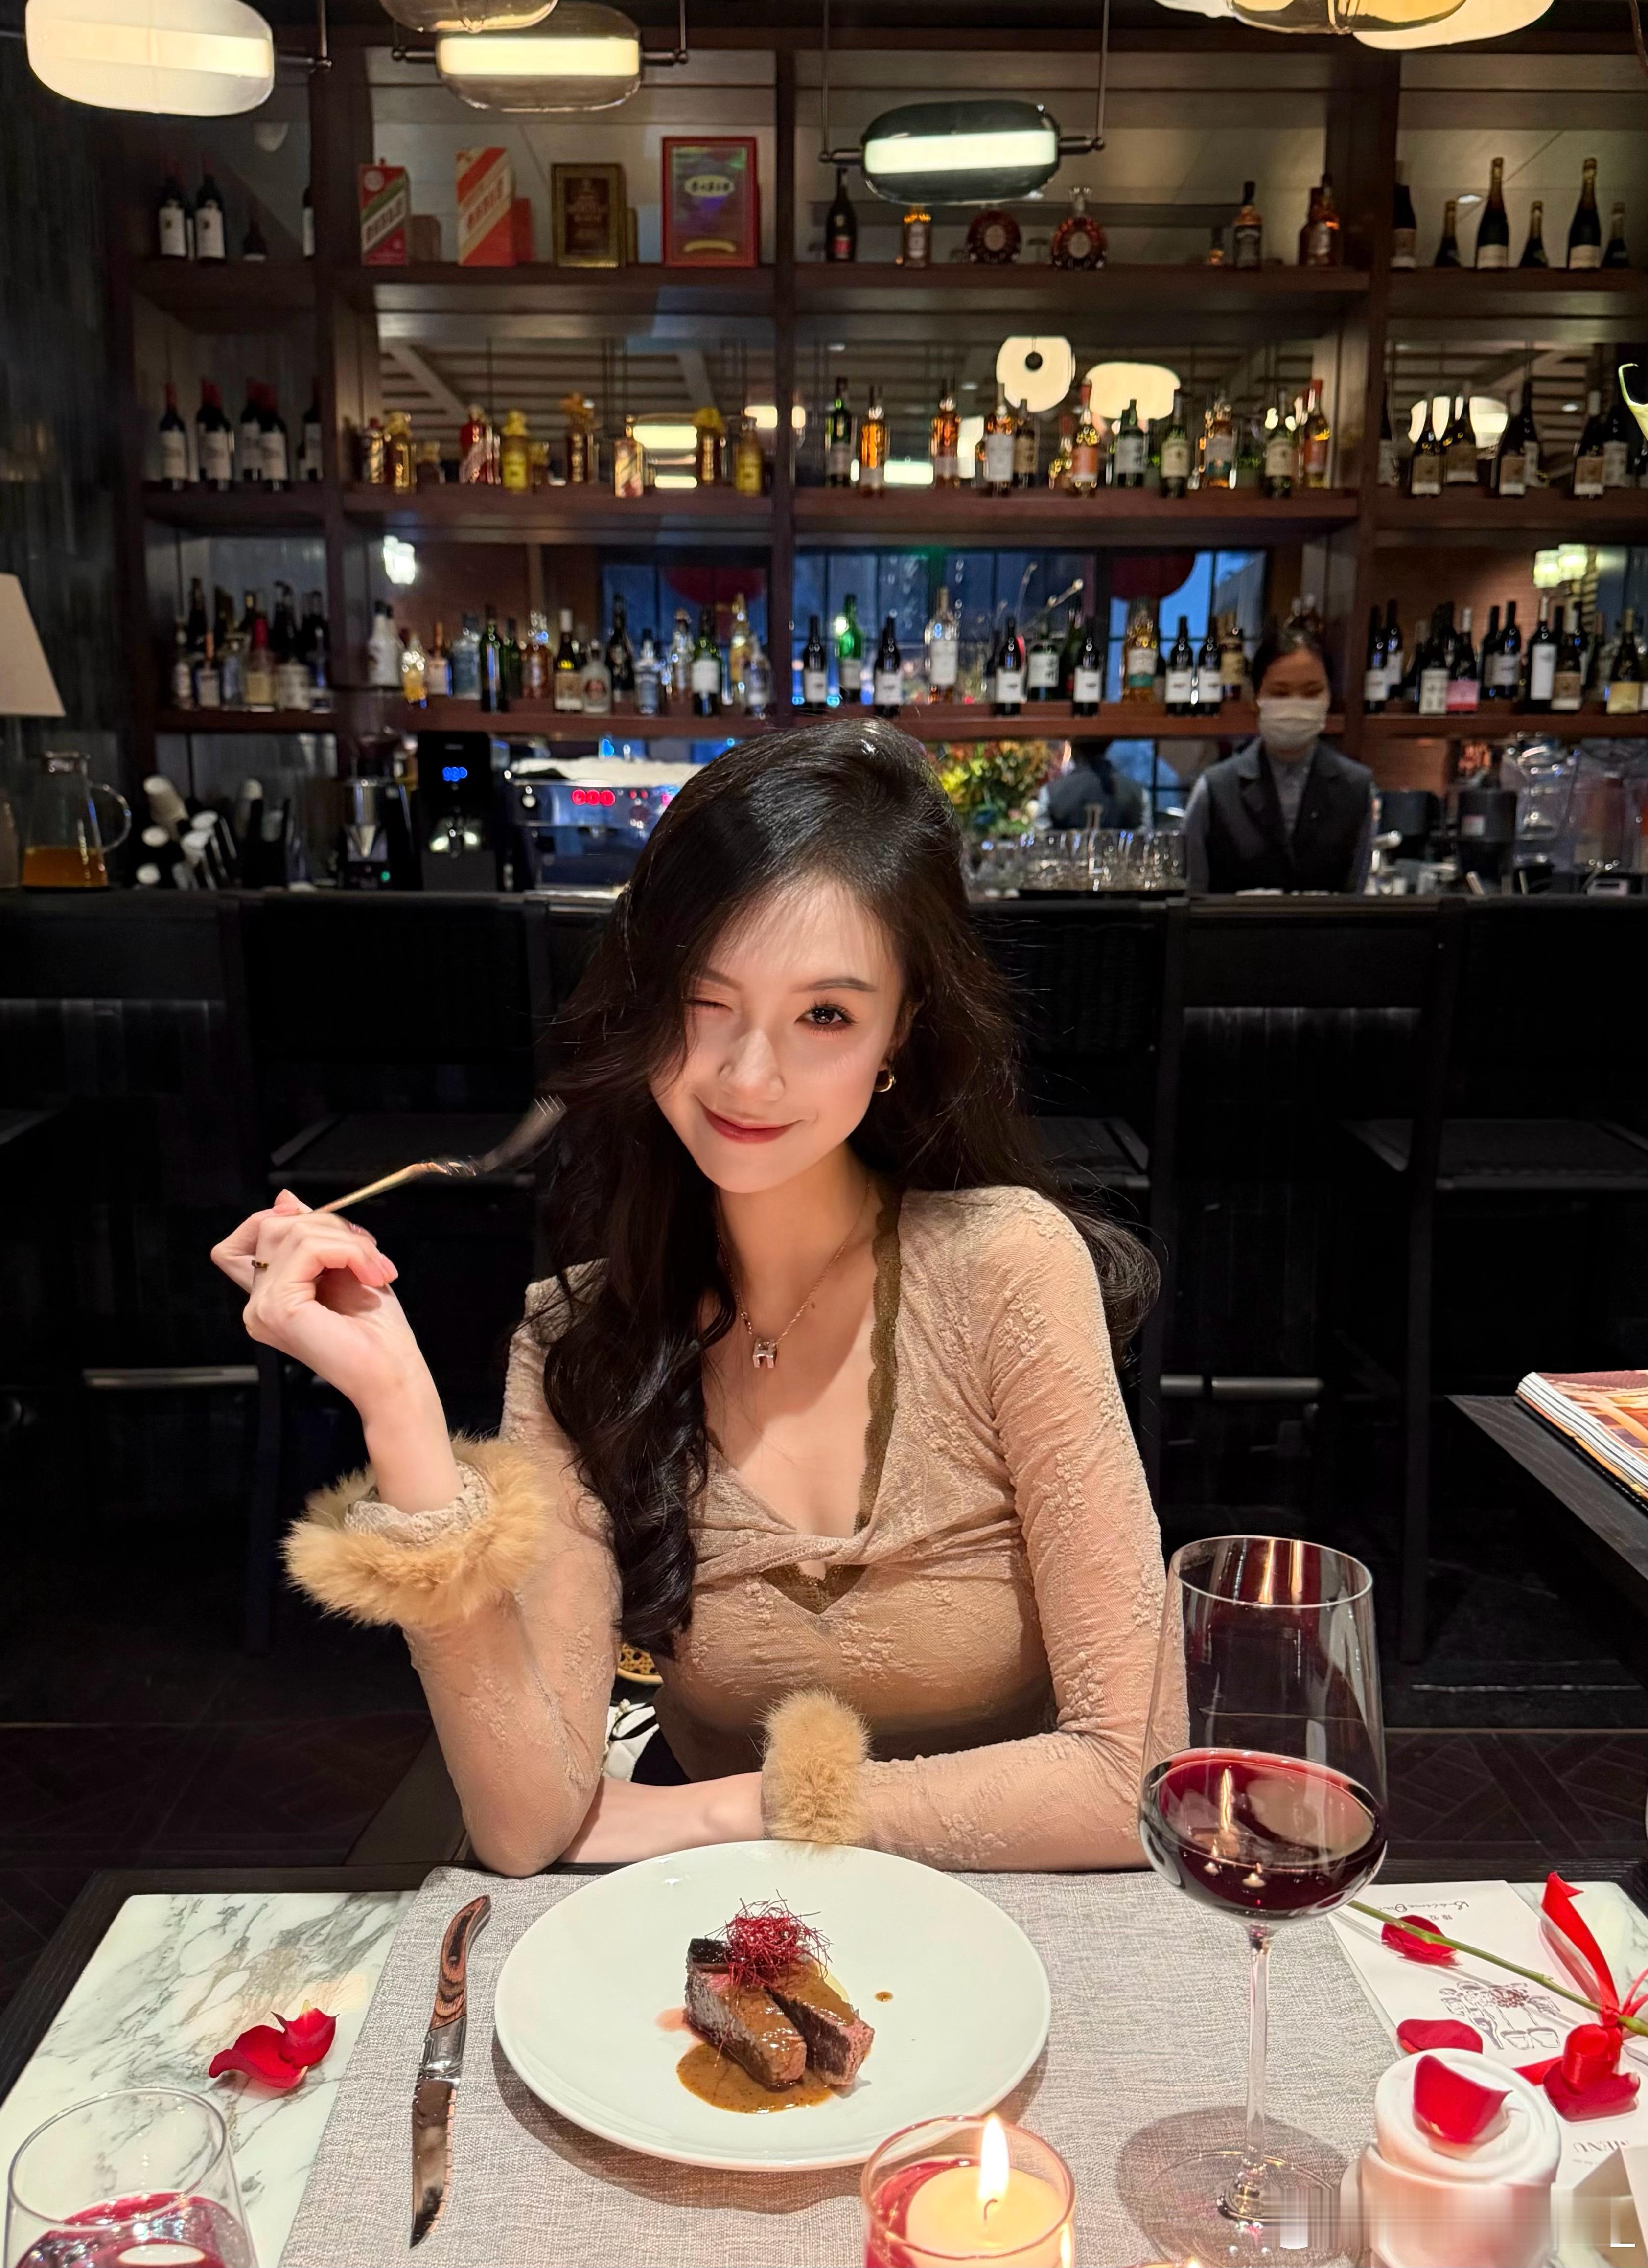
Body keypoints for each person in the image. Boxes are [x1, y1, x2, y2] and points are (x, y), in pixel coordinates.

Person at [212, 723, 1165, 1877]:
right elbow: (526, 1822)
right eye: (705, 1000)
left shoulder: (1007, 1268)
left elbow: (1134, 1779)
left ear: (900, 1029)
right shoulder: (580, 1338)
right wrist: (400, 1412)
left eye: (825, 1014)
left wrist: (738, 1807)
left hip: (1022, 1932)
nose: (747, 1075)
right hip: (726, 1947)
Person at [1183, 626, 1375, 893]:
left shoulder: (1357, 789)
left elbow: (1356, 896)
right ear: (1255, 699)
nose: (1296, 704)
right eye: (1280, 693)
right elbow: (1191, 895)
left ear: (1329, 697)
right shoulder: (1215, 790)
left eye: (1312, 693)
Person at [1042, 735, 1146, 832]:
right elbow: (1144, 839)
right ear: (1109, 743)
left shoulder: (1052, 793)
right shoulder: (1138, 793)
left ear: (1072, 744)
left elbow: (1041, 840)